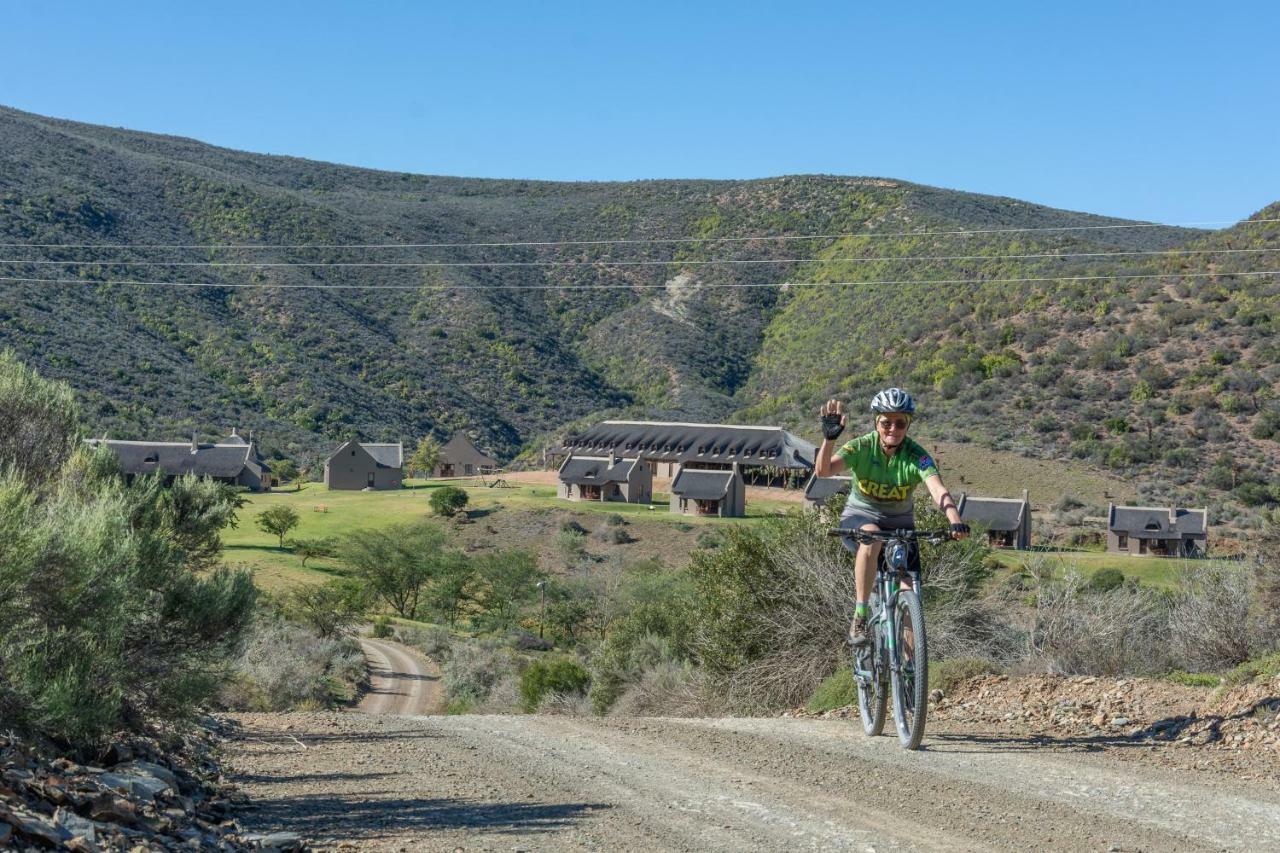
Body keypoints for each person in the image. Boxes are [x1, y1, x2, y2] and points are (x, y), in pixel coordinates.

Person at [814, 387, 969, 646]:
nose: (893, 429)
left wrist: (954, 520)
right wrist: (829, 440)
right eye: (886, 422)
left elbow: (937, 489)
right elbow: (824, 471)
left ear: (908, 424)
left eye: (900, 423)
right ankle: (860, 614)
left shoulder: (916, 456)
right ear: (877, 422)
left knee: (910, 591)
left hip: (900, 528)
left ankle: (911, 674)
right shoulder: (862, 446)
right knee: (872, 535)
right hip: (860, 518)